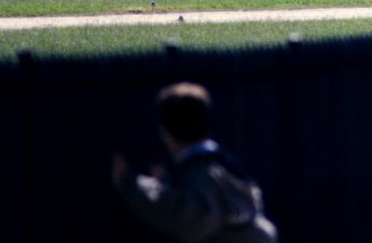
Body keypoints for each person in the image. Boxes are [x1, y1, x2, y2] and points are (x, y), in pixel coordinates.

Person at [111, 82, 278, 242]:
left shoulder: (202, 171)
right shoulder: (224, 164)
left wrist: (133, 185)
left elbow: (194, 222)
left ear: (165, 131)